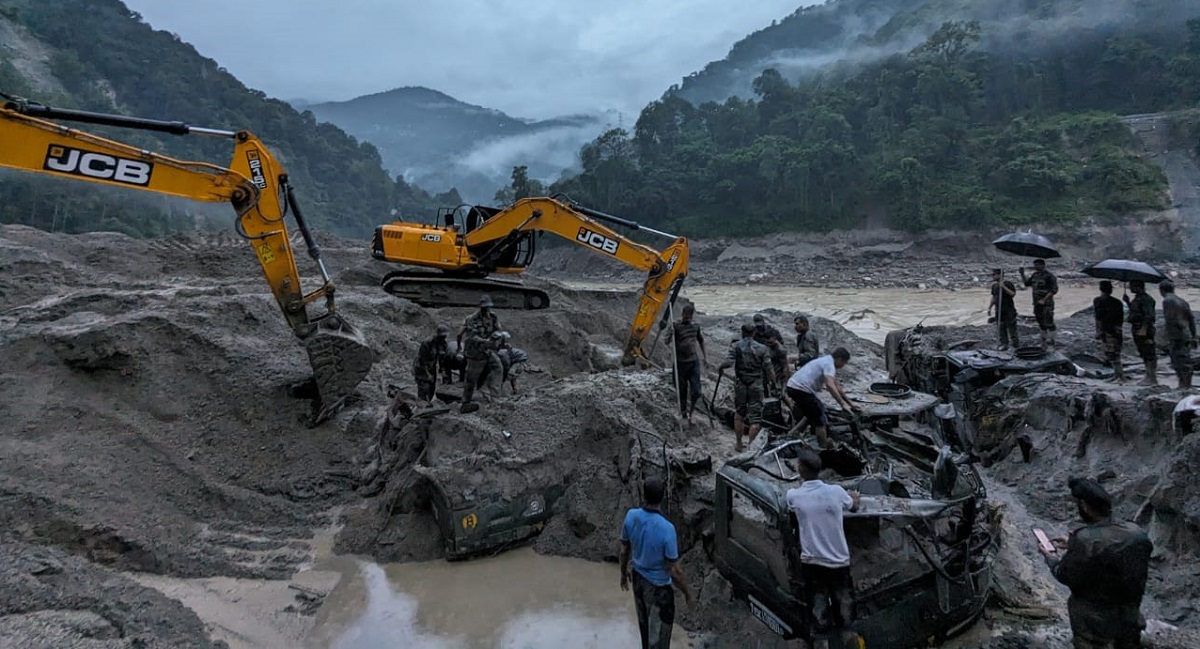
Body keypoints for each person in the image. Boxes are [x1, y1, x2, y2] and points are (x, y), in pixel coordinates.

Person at [1039, 477, 1152, 649]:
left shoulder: (1085, 539)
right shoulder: (1136, 533)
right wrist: (1072, 544)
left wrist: (1050, 557)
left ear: (1083, 505)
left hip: (1095, 622)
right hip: (1129, 615)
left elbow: (1064, 574)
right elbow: (1111, 549)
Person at [786, 448, 860, 649]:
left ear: (800, 469)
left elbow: (788, 502)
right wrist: (855, 496)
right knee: (847, 620)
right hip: (839, 563)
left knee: (819, 618)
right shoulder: (836, 492)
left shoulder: (795, 496)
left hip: (813, 565)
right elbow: (854, 505)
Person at [619, 475, 693, 649]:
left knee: (646, 634)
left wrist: (623, 573)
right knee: (659, 641)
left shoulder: (631, 516)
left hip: (638, 581)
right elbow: (674, 571)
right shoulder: (667, 529)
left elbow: (623, 549)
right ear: (662, 497)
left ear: (644, 495)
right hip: (659, 591)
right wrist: (687, 594)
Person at [784, 348, 856, 449]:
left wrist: (851, 404)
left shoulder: (825, 360)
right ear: (840, 359)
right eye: (844, 363)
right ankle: (824, 447)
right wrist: (842, 404)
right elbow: (830, 385)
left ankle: (793, 433)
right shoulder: (829, 365)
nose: (843, 366)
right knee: (820, 419)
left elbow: (837, 387)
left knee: (812, 412)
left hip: (792, 386)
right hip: (801, 389)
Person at [719, 324, 776, 451]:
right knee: (755, 418)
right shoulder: (762, 348)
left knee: (740, 414)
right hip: (756, 384)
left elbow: (728, 362)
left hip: (741, 383)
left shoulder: (736, 346)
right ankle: (751, 447)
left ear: (742, 332)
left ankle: (739, 444)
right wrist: (773, 382)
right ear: (754, 333)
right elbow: (769, 368)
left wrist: (721, 367)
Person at [459, 295, 502, 410]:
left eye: (488, 307)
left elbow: (498, 329)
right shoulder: (472, 319)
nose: (486, 309)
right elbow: (472, 336)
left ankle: (495, 398)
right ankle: (465, 403)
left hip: (488, 351)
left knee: (498, 368)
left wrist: (500, 338)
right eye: (484, 307)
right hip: (475, 353)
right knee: (471, 379)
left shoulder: (493, 317)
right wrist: (485, 341)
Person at [669, 304, 707, 419]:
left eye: (688, 316)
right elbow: (666, 341)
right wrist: (671, 332)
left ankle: (692, 412)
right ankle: (684, 413)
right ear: (682, 314)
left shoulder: (695, 326)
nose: (686, 318)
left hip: (693, 362)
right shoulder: (675, 325)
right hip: (680, 363)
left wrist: (705, 357)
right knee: (682, 390)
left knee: (696, 391)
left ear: (691, 316)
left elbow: (701, 341)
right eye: (685, 315)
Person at [1159, 279, 1196, 389]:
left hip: (1177, 335)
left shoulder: (1167, 300)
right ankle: (1186, 384)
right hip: (1186, 334)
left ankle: (1183, 385)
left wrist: (1166, 337)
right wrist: (1194, 335)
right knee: (1185, 360)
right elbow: (1191, 319)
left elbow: (1170, 319)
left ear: (1161, 290)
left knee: (1178, 361)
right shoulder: (1182, 301)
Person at [1124, 280, 1158, 386]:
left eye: (1131, 285)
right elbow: (1136, 312)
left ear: (1137, 286)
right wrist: (1128, 302)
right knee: (1143, 352)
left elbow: (1149, 315)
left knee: (1149, 353)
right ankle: (1148, 376)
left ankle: (1151, 377)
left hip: (1144, 330)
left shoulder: (1145, 299)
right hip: (1137, 328)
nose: (1129, 287)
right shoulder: (1138, 298)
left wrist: (1144, 328)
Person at [1020, 258, 1059, 348]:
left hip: (1047, 304)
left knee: (1049, 322)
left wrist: (1044, 300)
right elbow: (1026, 284)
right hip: (1036, 303)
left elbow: (1054, 290)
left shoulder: (1049, 276)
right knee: (1041, 322)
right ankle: (1043, 341)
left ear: (1043, 265)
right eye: (1035, 265)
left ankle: (1052, 340)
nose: (1035, 266)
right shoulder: (1035, 275)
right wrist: (1022, 274)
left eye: (1037, 265)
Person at [1093, 281, 1126, 383]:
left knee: (1112, 354)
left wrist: (1098, 331)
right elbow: (1121, 319)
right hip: (1115, 330)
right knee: (1114, 353)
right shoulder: (1118, 302)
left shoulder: (1098, 301)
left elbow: (1098, 318)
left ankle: (1119, 375)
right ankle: (1118, 375)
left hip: (1107, 330)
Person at [412, 324, 450, 402]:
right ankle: (421, 406)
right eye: (441, 336)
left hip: (432, 367)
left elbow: (442, 359)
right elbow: (423, 360)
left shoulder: (444, 344)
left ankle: (427, 403)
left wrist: (442, 370)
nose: (443, 338)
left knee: (432, 388)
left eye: (444, 336)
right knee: (424, 388)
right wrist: (427, 374)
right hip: (421, 369)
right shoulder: (427, 343)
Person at [753, 314, 789, 393]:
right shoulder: (754, 334)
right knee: (763, 382)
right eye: (758, 325)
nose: (759, 328)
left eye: (761, 325)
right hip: (762, 360)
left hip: (775, 359)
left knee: (777, 380)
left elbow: (783, 348)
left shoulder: (773, 331)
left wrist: (775, 344)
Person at [988, 268, 1019, 350]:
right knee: (1001, 328)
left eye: (994, 274)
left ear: (999, 275)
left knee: (1012, 328)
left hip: (1009, 310)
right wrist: (989, 308)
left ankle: (1015, 345)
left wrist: (1004, 287)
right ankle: (1004, 344)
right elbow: (994, 297)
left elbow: (1013, 294)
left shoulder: (1008, 283)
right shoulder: (994, 286)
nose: (993, 276)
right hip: (999, 310)